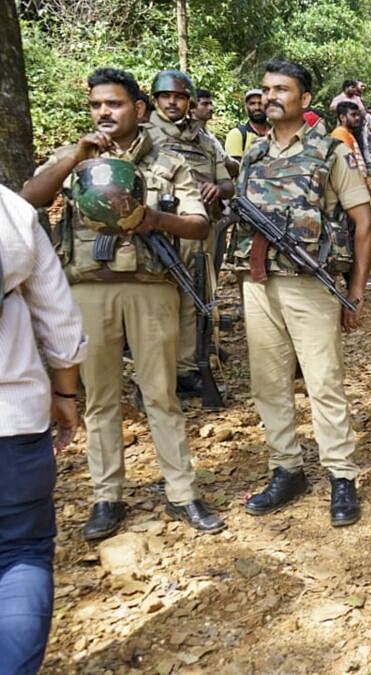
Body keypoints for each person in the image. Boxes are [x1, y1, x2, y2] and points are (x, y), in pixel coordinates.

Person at [20, 67, 224, 540]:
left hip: (152, 290)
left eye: (113, 104)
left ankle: (182, 493)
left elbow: (198, 224)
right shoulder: (75, 158)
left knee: (161, 396)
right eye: (96, 105)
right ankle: (106, 498)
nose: (104, 113)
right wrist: (74, 158)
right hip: (89, 288)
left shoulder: (169, 162)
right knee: (101, 400)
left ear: (139, 109)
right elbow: (28, 200)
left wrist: (153, 218)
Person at [227, 58, 371, 527]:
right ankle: (286, 468)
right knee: (269, 383)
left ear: (305, 99)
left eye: (282, 89)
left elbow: (364, 222)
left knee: (323, 383)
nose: (271, 96)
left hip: (310, 285)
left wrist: (356, 290)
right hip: (259, 284)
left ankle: (341, 475)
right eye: (267, 89)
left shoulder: (330, 152)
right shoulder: (252, 155)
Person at [0, 185, 86, 674]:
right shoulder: (9, 210)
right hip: (13, 422)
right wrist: (66, 393)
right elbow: (60, 321)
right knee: (20, 556)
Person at [142, 69, 235, 399]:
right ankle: (154, 375)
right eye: (166, 96)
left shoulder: (205, 141)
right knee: (157, 302)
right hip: (157, 231)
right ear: (154, 100)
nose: (172, 102)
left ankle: (186, 369)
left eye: (179, 97)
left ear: (189, 102)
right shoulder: (143, 135)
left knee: (196, 299)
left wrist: (217, 188)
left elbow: (228, 182)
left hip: (199, 230)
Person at [224, 88, 271, 169]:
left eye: (261, 103)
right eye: (252, 103)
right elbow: (235, 169)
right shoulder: (237, 134)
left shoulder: (278, 133)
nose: (257, 107)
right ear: (246, 108)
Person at [331, 101, 371, 185]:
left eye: (358, 115)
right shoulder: (340, 134)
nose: (357, 118)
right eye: (353, 115)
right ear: (342, 117)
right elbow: (349, 165)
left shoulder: (347, 133)